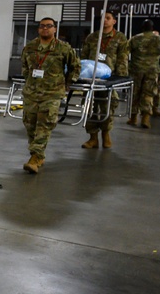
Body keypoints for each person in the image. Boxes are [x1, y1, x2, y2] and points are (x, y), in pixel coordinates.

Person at [20, 18, 80, 173]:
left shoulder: (63, 48)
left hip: (52, 94)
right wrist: (29, 81)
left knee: (45, 125)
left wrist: (67, 84)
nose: (45, 29)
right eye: (42, 26)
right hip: (31, 93)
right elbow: (25, 66)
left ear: (55, 29)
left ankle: (35, 158)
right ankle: (38, 155)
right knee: (30, 125)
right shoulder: (30, 47)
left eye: (48, 26)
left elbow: (75, 66)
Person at [79, 11, 129, 149]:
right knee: (90, 107)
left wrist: (120, 77)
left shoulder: (120, 38)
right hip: (91, 78)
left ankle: (106, 134)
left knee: (108, 106)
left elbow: (122, 58)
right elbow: (83, 57)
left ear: (114, 21)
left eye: (108, 18)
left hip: (109, 79)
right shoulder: (92, 37)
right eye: (102, 18)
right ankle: (93, 137)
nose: (105, 21)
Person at [127, 20, 160, 129]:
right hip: (152, 71)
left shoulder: (135, 39)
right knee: (148, 93)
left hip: (136, 70)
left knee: (135, 93)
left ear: (142, 28)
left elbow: (125, 53)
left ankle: (133, 118)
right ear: (152, 28)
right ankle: (145, 118)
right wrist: (156, 64)